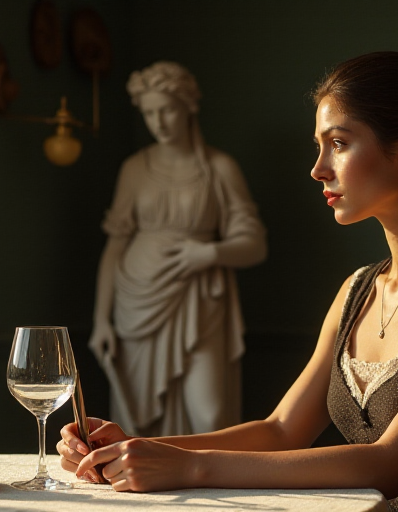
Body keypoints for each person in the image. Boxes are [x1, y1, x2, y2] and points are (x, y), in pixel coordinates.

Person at [63, 51, 398, 511]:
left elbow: (388, 465)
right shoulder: (358, 290)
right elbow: (282, 429)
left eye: (339, 144)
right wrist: (135, 447)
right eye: (319, 146)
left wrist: (189, 467)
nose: (318, 168)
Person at [88, 61, 267, 437]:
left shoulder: (219, 168)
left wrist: (210, 254)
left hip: (200, 301)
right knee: (138, 422)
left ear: (189, 106)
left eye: (166, 109)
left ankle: (215, 492)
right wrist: (101, 320)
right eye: (149, 113)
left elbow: (254, 245)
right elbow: (115, 246)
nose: (159, 122)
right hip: (135, 302)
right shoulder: (134, 169)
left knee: (210, 416)